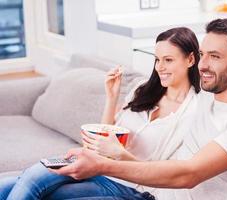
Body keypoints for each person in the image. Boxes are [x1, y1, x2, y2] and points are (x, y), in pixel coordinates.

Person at [49, 18, 227, 200]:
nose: (203, 65)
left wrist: (102, 165)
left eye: (215, 57)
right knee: (34, 187)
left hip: (150, 192)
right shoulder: (205, 99)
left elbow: (189, 174)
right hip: (151, 193)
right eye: (202, 55)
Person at [0, 27, 201, 200]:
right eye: (157, 59)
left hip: (132, 186)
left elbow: (168, 174)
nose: (160, 68)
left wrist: (121, 155)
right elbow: (106, 137)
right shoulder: (143, 90)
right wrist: (111, 98)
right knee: (17, 183)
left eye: (168, 60)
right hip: (98, 166)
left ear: (191, 59)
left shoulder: (192, 113)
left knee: (41, 190)